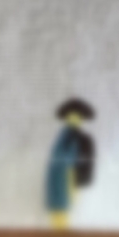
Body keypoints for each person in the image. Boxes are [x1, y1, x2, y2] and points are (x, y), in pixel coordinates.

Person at [46, 97, 96, 227]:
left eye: (77, 116)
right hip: (63, 176)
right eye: (72, 116)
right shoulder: (67, 135)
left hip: (69, 176)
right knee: (60, 211)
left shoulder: (76, 137)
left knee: (62, 210)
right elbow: (60, 157)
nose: (74, 119)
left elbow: (68, 157)